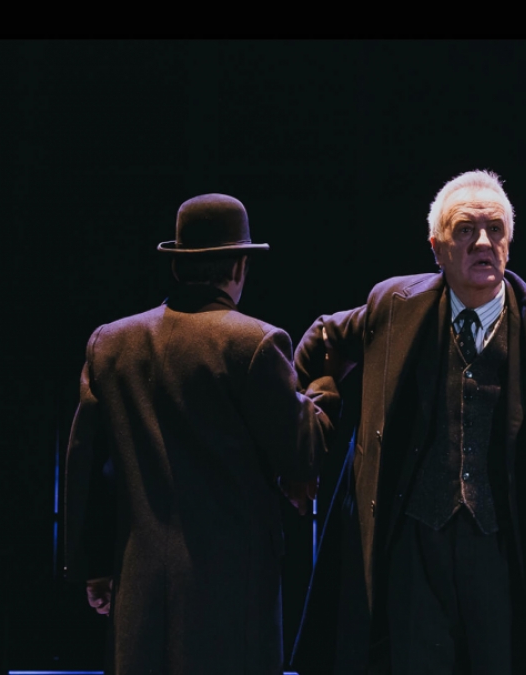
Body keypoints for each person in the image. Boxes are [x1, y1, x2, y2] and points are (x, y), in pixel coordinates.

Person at [290, 170, 526, 675]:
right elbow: (320, 344)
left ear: (509, 243)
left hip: (504, 544)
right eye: (465, 230)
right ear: (436, 247)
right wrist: (312, 443)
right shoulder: (393, 306)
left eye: (495, 229)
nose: (482, 242)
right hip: (413, 544)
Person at [63, 193, 331, 675]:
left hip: (138, 593)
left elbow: (88, 465)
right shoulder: (254, 343)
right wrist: (325, 384)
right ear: (240, 266)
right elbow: (303, 455)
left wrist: (95, 566)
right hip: (231, 600)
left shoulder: (110, 344)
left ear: (177, 265)